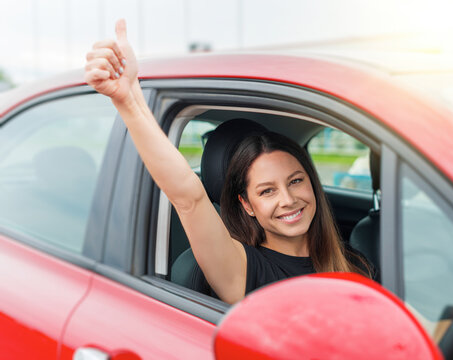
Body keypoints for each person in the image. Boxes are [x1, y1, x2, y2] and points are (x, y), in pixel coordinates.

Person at [85, 19, 375, 304]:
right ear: (247, 205)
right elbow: (189, 198)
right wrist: (129, 100)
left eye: (295, 181)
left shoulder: (352, 262)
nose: (288, 199)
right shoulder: (247, 271)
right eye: (267, 191)